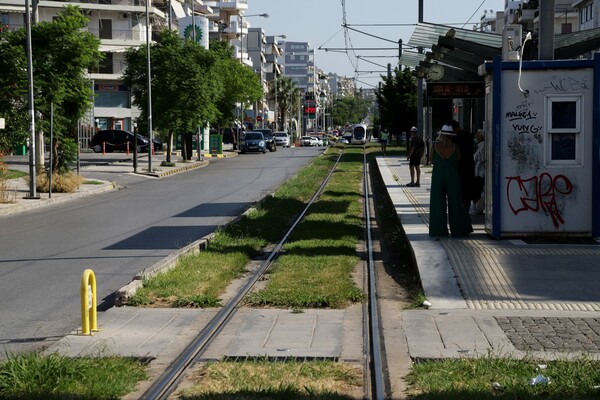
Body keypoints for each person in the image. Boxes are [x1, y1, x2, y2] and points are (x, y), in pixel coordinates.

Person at [429, 124, 473, 238]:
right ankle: (459, 230)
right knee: (456, 203)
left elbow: (431, 160)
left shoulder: (434, 146)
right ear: (451, 136)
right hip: (452, 176)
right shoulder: (455, 146)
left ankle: (438, 230)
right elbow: (458, 158)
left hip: (438, 176)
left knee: (437, 204)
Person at [449, 120, 475, 211]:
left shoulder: (456, 138)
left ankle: (461, 212)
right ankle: (466, 212)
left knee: (460, 192)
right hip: (470, 166)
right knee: (467, 193)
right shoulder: (469, 135)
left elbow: (457, 155)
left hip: (460, 168)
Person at [472, 129, 485, 214]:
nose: (475, 138)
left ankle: (478, 207)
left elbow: (478, 158)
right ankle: (477, 206)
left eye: (477, 136)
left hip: (481, 173)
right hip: (480, 172)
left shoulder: (482, 146)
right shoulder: (480, 146)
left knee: (478, 190)